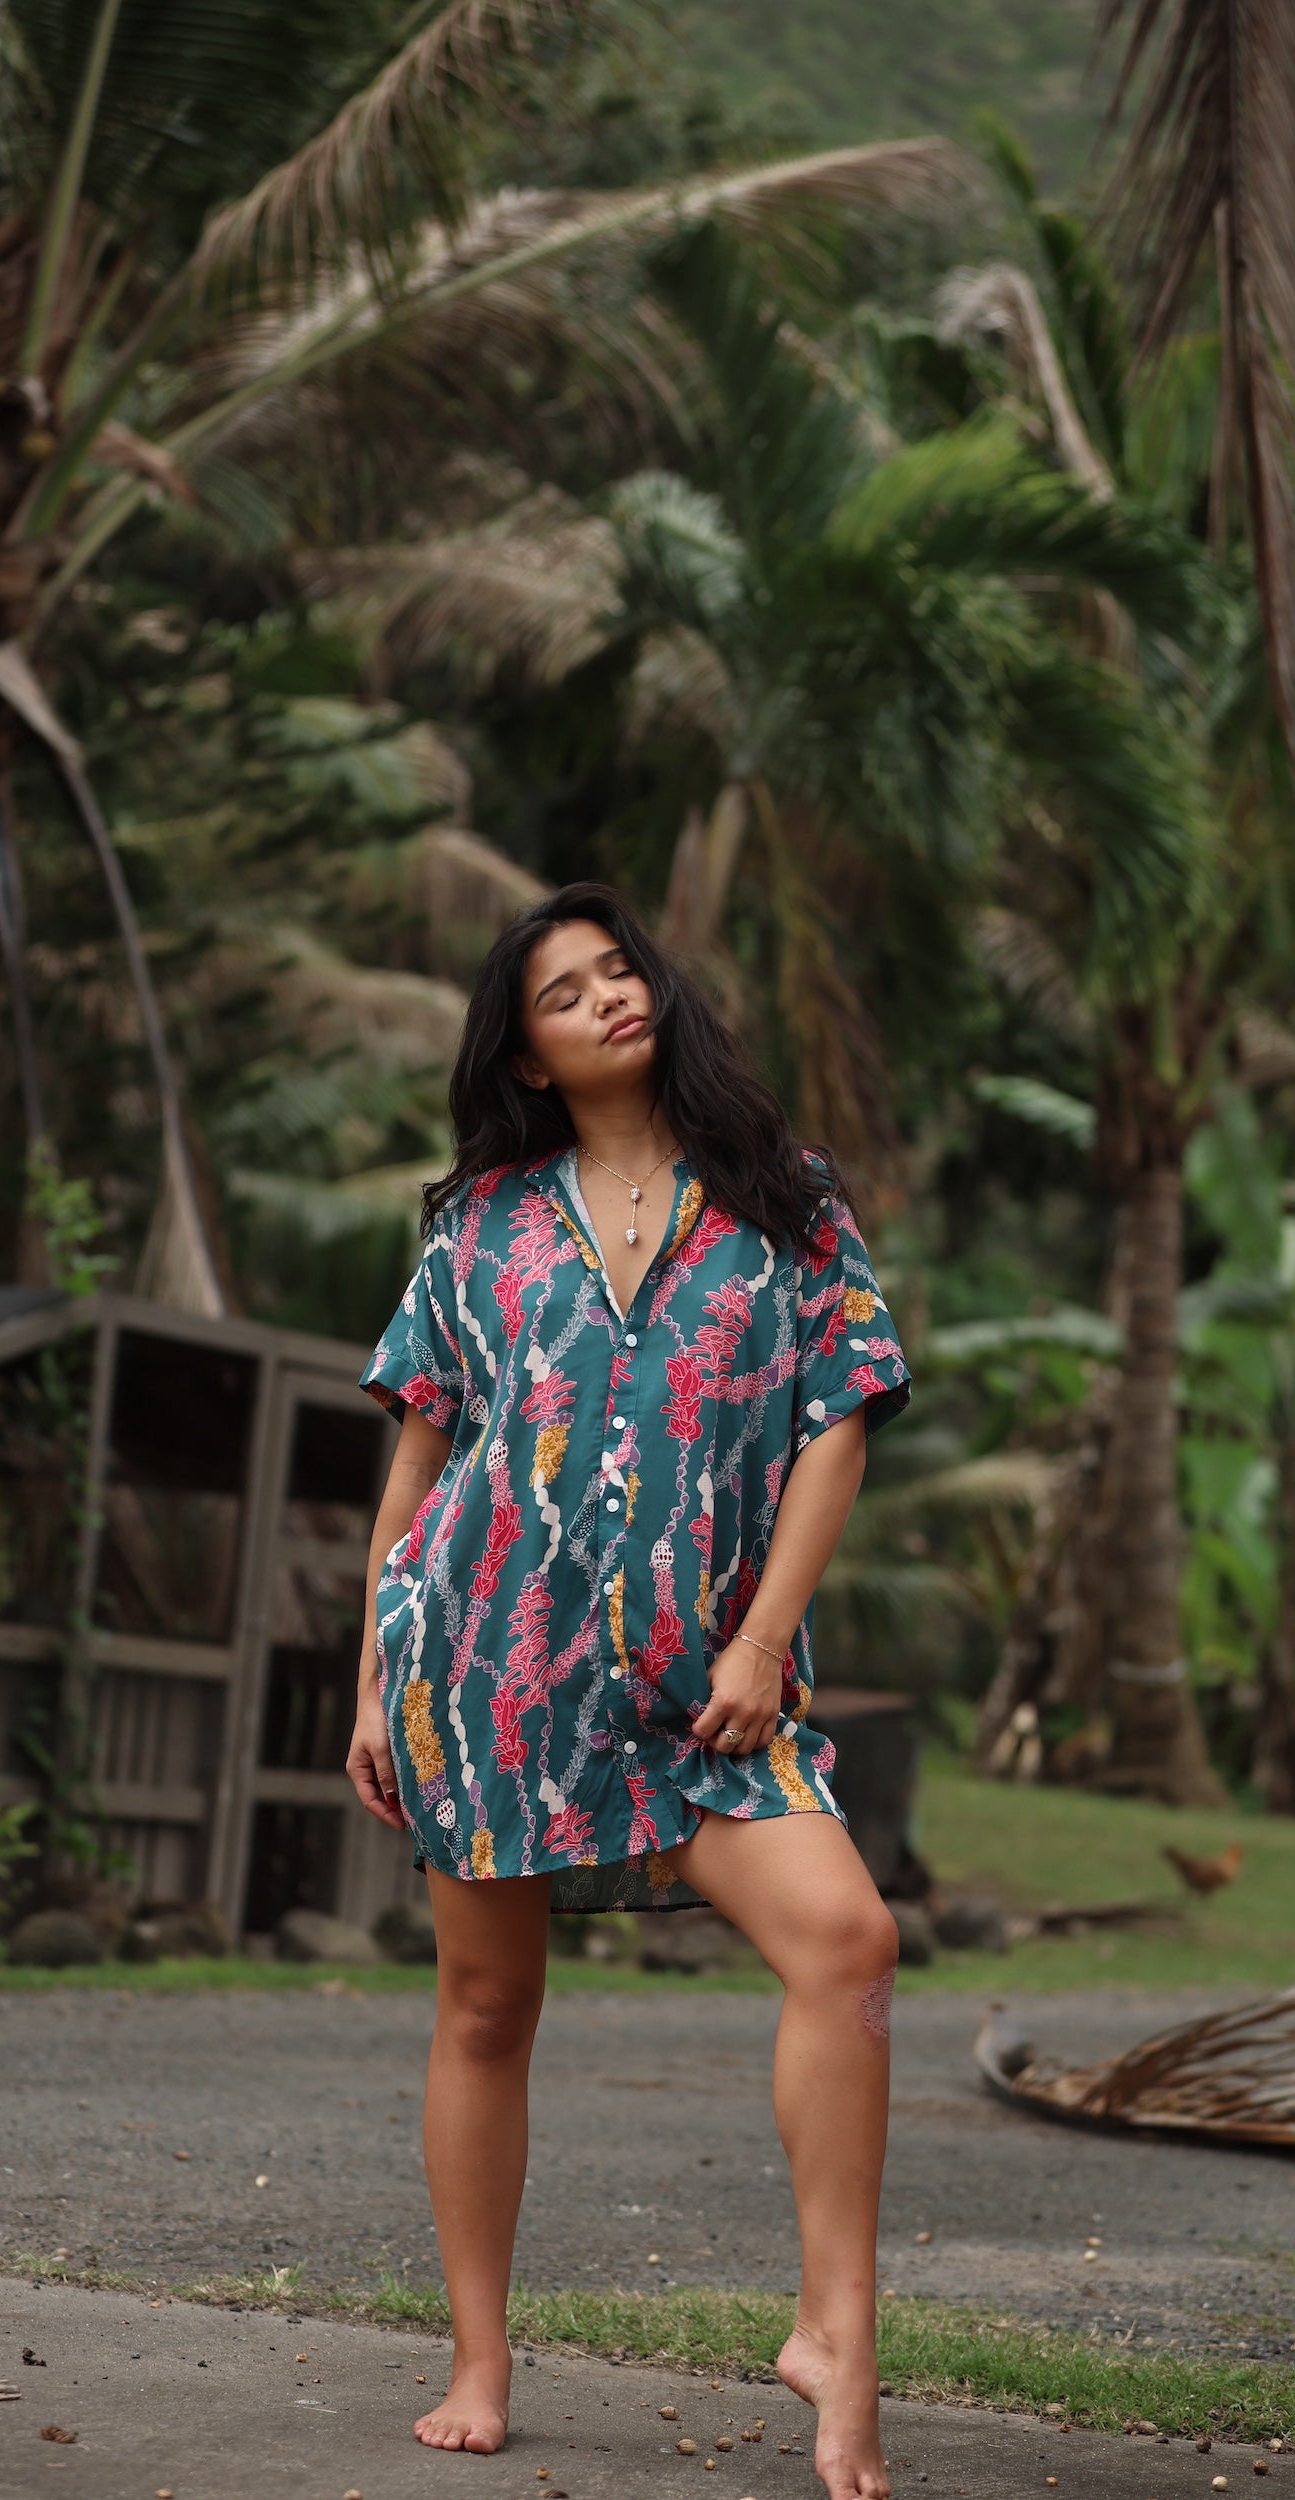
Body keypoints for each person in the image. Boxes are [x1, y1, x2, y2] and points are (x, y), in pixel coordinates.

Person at [346, 881, 911, 2500]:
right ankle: (478, 2357)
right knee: (485, 2007)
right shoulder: (478, 1228)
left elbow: (837, 1421)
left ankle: (834, 2332)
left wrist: (760, 1640)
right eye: (563, 991)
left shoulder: (782, 1194)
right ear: (524, 1054)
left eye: (619, 970)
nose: (607, 997)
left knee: (851, 1942)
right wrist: (379, 1679)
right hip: (489, 1669)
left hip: (707, 1683)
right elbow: (421, 1459)